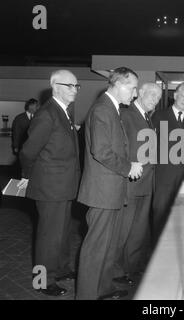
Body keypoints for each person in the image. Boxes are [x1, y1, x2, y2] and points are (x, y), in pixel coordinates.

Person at [76, 67, 142, 300]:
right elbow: (101, 151)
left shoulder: (111, 109)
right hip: (102, 192)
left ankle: (102, 289)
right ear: (119, 84)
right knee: (96, 248)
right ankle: (86, 296)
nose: (134, 94)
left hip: (110, 191)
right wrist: (128, 167)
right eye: (133, 88)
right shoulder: (103, 109)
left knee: (107, 246)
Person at [18, 70, 81, 296]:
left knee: (62, 233)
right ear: (55, 86)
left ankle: (61, 269)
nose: (75, 90)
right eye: (70, 85)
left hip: (63, 185)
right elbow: (27, 152)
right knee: (48, 237)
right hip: (50, 187)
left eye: (76, 86)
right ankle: (42, 281)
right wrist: (28, 177)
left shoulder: (63, 112)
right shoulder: (47, 114)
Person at [115, 83, 162, 286]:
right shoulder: (126, 115)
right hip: (131, 183)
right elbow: (119, 149)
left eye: (158, 97)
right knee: (123, 231)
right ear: (139, 93)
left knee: (138, 231)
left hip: (145, 183)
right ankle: (115, 270)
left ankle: (130, 268)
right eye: (151, 94)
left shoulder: (147, 118)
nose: (154, 99)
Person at [151, 82, 184, 249]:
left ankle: (175, 251)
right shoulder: (158, 116)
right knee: (160, 215)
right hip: (163, 176)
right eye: (183, 96)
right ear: (175, 95)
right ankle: (156, 251)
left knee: (180, 216)